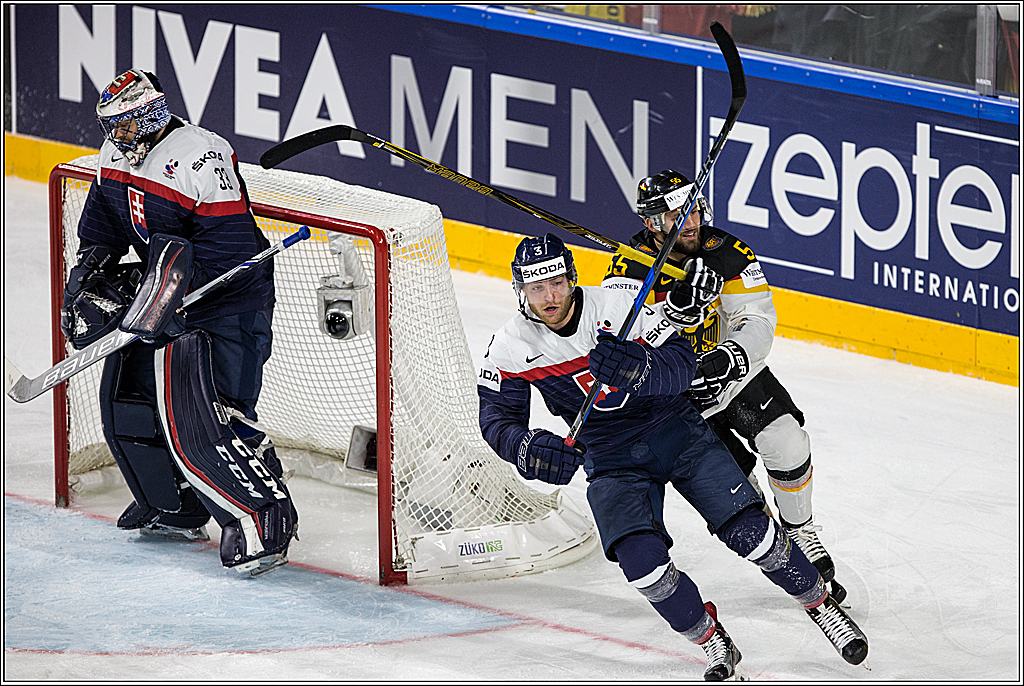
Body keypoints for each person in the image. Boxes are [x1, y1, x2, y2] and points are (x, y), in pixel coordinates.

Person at [477, 233, 868, 679]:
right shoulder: (510, 346)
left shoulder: (618, 306)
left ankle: (820, 604)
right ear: (519, 290)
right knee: (641, 564)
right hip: (610, 457)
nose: (549, 297)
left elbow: (682, 362)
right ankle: (712, 640)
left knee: (751, 532)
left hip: (675, 430)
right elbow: (497, 421)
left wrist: (641, 370)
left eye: (557, 283)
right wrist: (526, 448)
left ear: (572, 277)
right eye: (535, 288)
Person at [59, 69, 297, 576]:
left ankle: (265, 522)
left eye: (125, 125)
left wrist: (162, 298)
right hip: (163, 292)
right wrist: (91, 273)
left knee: (214, 418)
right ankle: (173, 506)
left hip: (225, 305)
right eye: (110, 127)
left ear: (152, 113)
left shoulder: (201, 156)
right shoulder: (115, 155)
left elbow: (226, 252)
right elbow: (103, 224)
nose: (116, 138)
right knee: (130, 404)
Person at [602, 169, 847, 603]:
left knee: (788, 443)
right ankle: (782, 549)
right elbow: (622, 344)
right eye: (677, 215)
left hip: (734, 376)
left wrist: (731, 355)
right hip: (677, 397)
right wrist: (673, 313)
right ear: (651, 224)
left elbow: (757, 317)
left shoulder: (729, 252)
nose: (691, 223)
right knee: (739, 487)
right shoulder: (626, 269)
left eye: (694, 210)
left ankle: (801, 531)